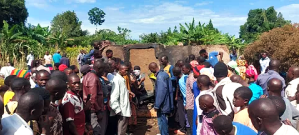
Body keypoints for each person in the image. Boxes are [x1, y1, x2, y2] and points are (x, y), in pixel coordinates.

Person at [149, 62, 173, 135]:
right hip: (167, 101)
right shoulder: (165, 74)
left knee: (162, 122)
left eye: (150, 70)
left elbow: (161, 92)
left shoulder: (160, 77)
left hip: (163, 105)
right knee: (164, 121)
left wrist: (157, 105)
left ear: (153, 68)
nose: (150, 71)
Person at [83, 60, 107, 135]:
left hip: (92, 108)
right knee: (97, 130)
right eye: (103, 70)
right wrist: (98, 111)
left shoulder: (88, 75)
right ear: (99, 69)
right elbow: (93, 97)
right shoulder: (93, 78)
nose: (104, 72)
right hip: (94, 110)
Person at [110, 64, 132, 135]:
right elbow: (114, 96)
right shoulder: (117, 80)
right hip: (121, 109)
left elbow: (122, 92)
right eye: (125, 70)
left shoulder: (121, 79)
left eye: (127, 70)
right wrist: (117, 109)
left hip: (123, 108)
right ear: (120, 70)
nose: (126, 72)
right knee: (121, 128)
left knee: (122, 128)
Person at [173, 66, 188, 134]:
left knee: (181, 113)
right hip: (189, 99)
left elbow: (185, 93)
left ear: (175, 74)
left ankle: (182, 129)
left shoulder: (181, 81)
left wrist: (185, 103)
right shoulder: (186, 76)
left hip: (185, 100)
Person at [185, 63, 197, 134]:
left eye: (183, 69)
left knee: (192, 123)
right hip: (190, 103)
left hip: (191, 104)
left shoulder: (191, 78)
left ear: (188, 69)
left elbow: (193, 88)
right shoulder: (190, 76)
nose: (182, 70)